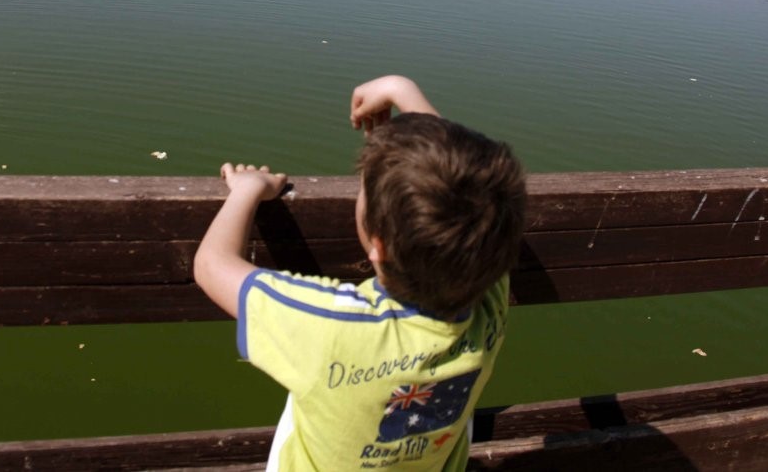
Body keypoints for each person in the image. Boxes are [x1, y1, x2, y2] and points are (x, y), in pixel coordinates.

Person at [193, 75, 528, 472]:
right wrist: (403, 92)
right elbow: (469, 194)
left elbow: (211, 265)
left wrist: (247, 189)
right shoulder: (487, 301)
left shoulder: (333, 327)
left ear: (377, 245)